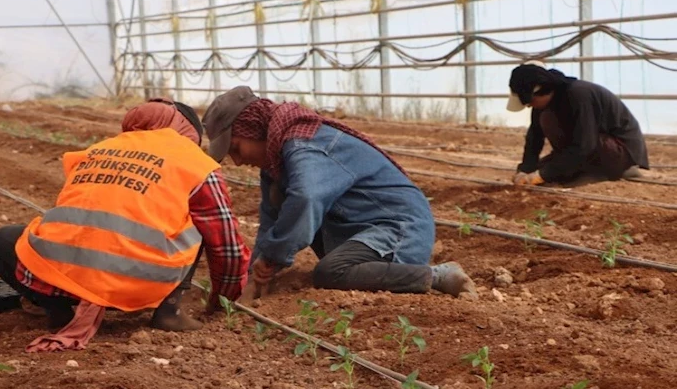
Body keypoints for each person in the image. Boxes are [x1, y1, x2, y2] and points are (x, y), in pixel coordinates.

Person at [0, 98, 251, 351]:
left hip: (64, 282)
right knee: (200, 219)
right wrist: (223, 300)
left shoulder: (99, 150)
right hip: (140, 286)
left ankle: (58, 310)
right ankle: (170, 311)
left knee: (4, 239)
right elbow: (226, 244)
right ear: (187, 133)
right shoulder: (195, 163)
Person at [201, 85, 476, 298]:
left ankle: (438, 276)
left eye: (236, 148)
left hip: (399, 228)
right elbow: (272, 219)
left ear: (253, 128)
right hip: (363, 229)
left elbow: (306, 198)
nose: (237, 161)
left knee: (331, 273)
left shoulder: (304, 146)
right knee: (283, 202)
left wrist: (273, 257)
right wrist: (254, 273)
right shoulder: (275, 161)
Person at [506, 60, 649, 186]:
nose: (529, 106)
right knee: (545, 169)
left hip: (619, 150)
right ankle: (582, 171)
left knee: (549, 172)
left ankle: (614, 171)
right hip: (587, 148)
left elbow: (584, 144)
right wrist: (526, 170)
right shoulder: (542, 104)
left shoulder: (579, 95)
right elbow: (534, 138)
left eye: (529, 102)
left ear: (541, 90)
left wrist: (543, 175)